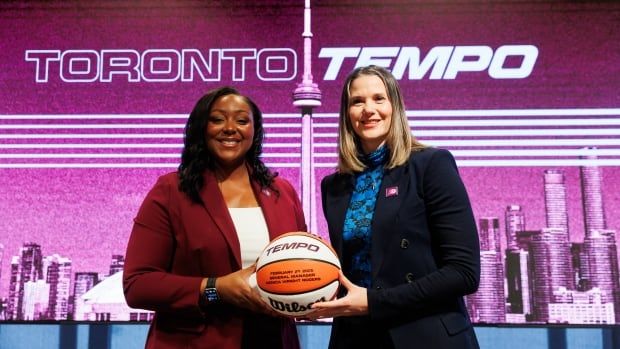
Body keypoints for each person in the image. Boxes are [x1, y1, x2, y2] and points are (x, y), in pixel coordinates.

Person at [310, 65, 480, 349]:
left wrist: (374, 302)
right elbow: (354, 268)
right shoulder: (334, 186)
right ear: (346, 113)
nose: (368, 109)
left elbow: (464, 273)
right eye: (357, 101)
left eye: (379, 98)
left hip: (425, 336)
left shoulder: (431, 165)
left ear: (395, 106)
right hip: (355, 338)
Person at [123, 87, 306, 349]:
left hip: (274, 340)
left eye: (242, 120)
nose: (230, 128)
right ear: (201, 129)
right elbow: (138, 284)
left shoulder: (282, 192)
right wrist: (214, 288)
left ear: (255, 132)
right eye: (218, 119)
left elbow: (300, 264)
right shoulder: (171, 191)